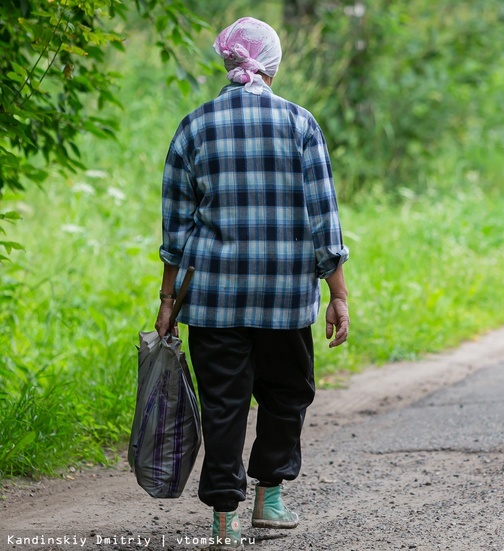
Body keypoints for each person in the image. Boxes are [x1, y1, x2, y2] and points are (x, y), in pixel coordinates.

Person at [154, 17, 350, 550]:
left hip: (213, 299)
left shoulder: (194, 126)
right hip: (285, 300)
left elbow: (177, 226)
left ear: (226, 62)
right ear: (272, 62)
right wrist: (338, 293)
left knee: (224, 403)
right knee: (288, 394)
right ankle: (270, 494)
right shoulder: (299, 123)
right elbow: (323, 218)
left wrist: (168, 299)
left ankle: (224, 516)